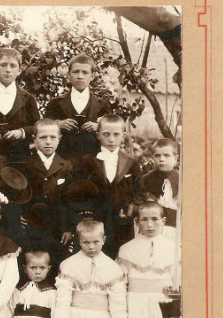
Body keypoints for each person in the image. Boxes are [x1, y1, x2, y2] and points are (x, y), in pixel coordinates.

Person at [75, 114, 142, 258]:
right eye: (106, 134)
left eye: (116, 134)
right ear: (98, 135)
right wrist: (87, 215)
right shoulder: (87, 161)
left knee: (122, 259)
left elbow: (139, 193)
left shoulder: (131, 162)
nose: (111, 139)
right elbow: (78, 193)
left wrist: (131, 209)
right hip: (95, 224)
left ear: (123, 135)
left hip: (122, 224)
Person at [43, 53, 111, 166]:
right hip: (63, 159)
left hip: (93, 162)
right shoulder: (55, 103)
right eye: (76, 72)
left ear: (92, 76)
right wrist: (58, 124)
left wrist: (98, 126)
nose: (80, 76)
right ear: (69, 75)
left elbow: (112, 129)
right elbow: (44, 127)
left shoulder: (102, 104)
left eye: (85, 72)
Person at [18, 118, 75, 247]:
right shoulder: (25, 163)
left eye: (53, 137)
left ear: (59, 138)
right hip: (31, 225)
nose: (48, 142)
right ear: (34, 139)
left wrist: (68, 228)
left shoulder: (66, 165)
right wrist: (19, 215)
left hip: (57, 227)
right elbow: (19, 195)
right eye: (43, 137)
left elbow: (69, 200)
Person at [135, 138, 180, 234]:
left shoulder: (182, 179)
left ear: (175, 158)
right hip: (151, 228)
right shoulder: (145, 180)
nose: (162, 159)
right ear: (153, 158)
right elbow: (139, 204)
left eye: (167, 155)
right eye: (157, 156)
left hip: (176, 227)